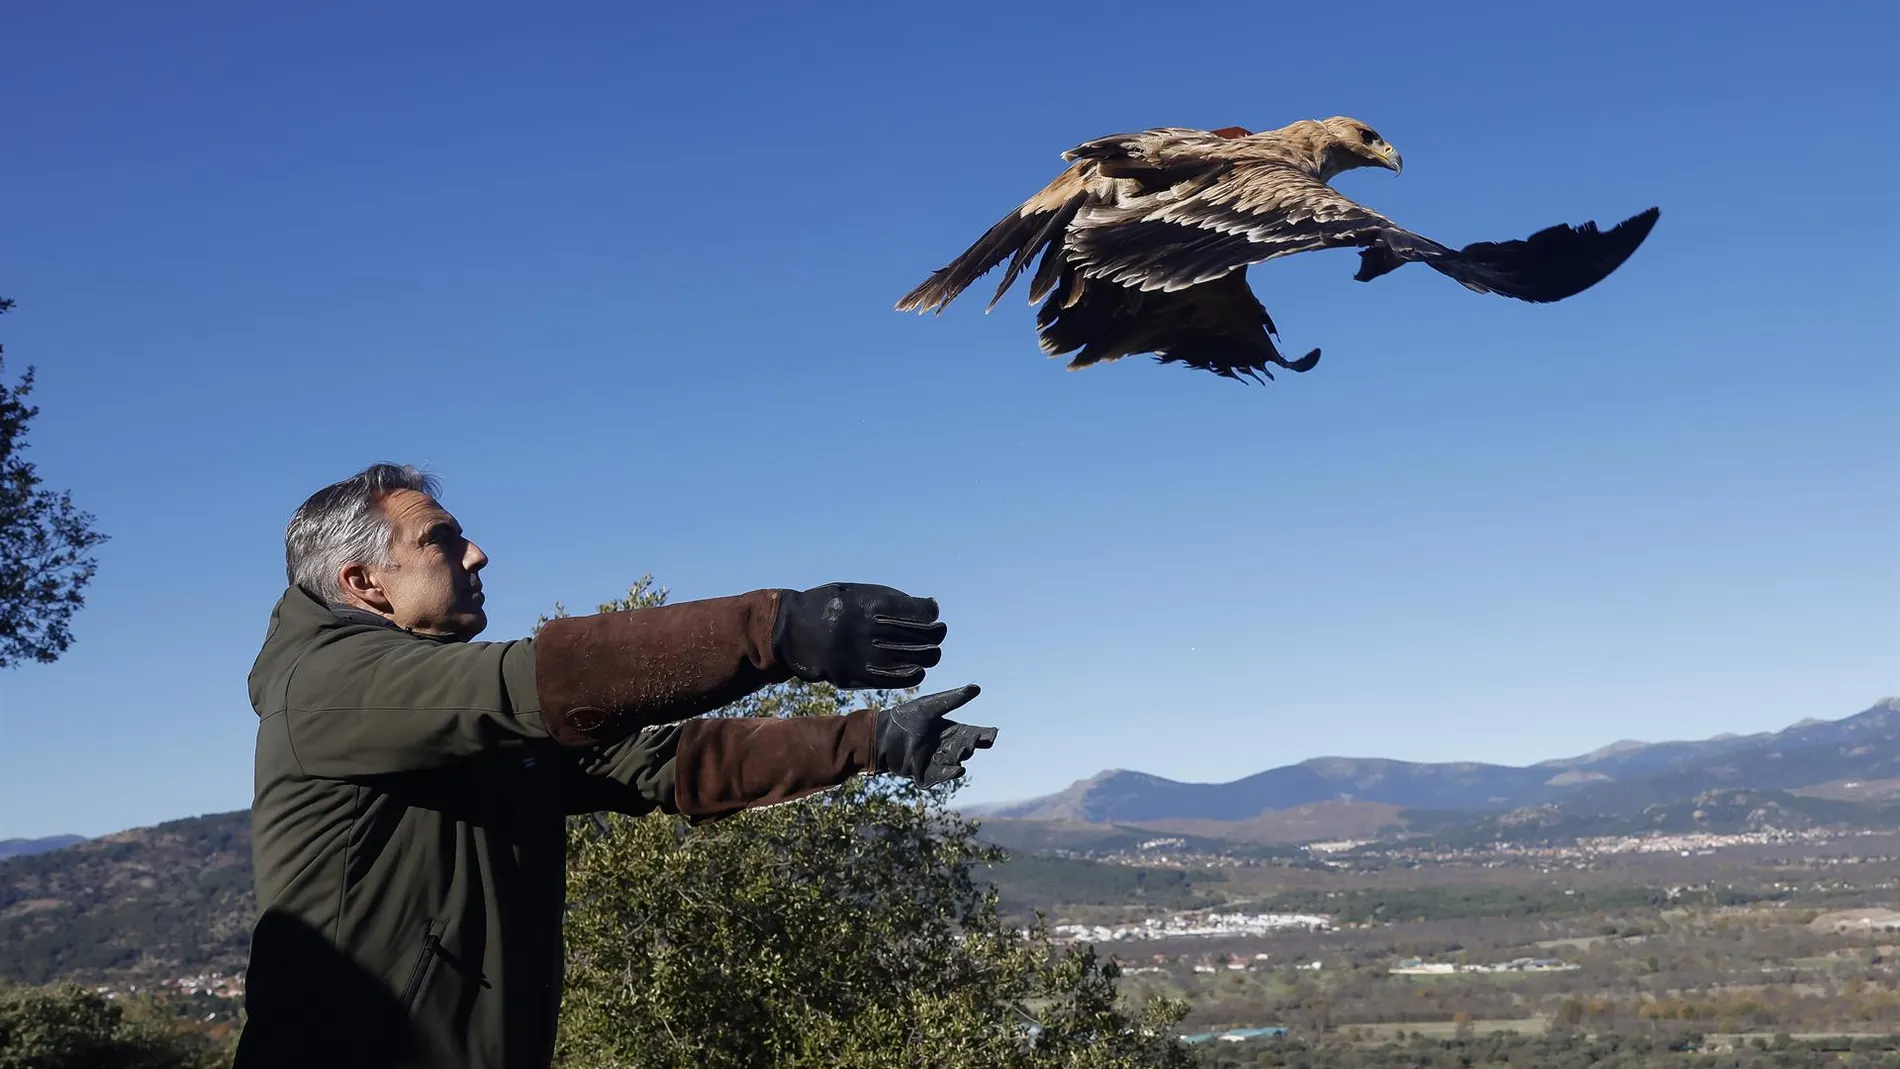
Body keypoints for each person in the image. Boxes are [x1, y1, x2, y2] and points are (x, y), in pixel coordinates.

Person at [232, 463, 997, 1069]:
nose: (477, 552)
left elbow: (657, 762)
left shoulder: (433, 706)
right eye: (441, 539)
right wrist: (775, 630)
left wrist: (871, 740)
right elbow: (532, 682)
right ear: (363, 582)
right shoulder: (327, 685)